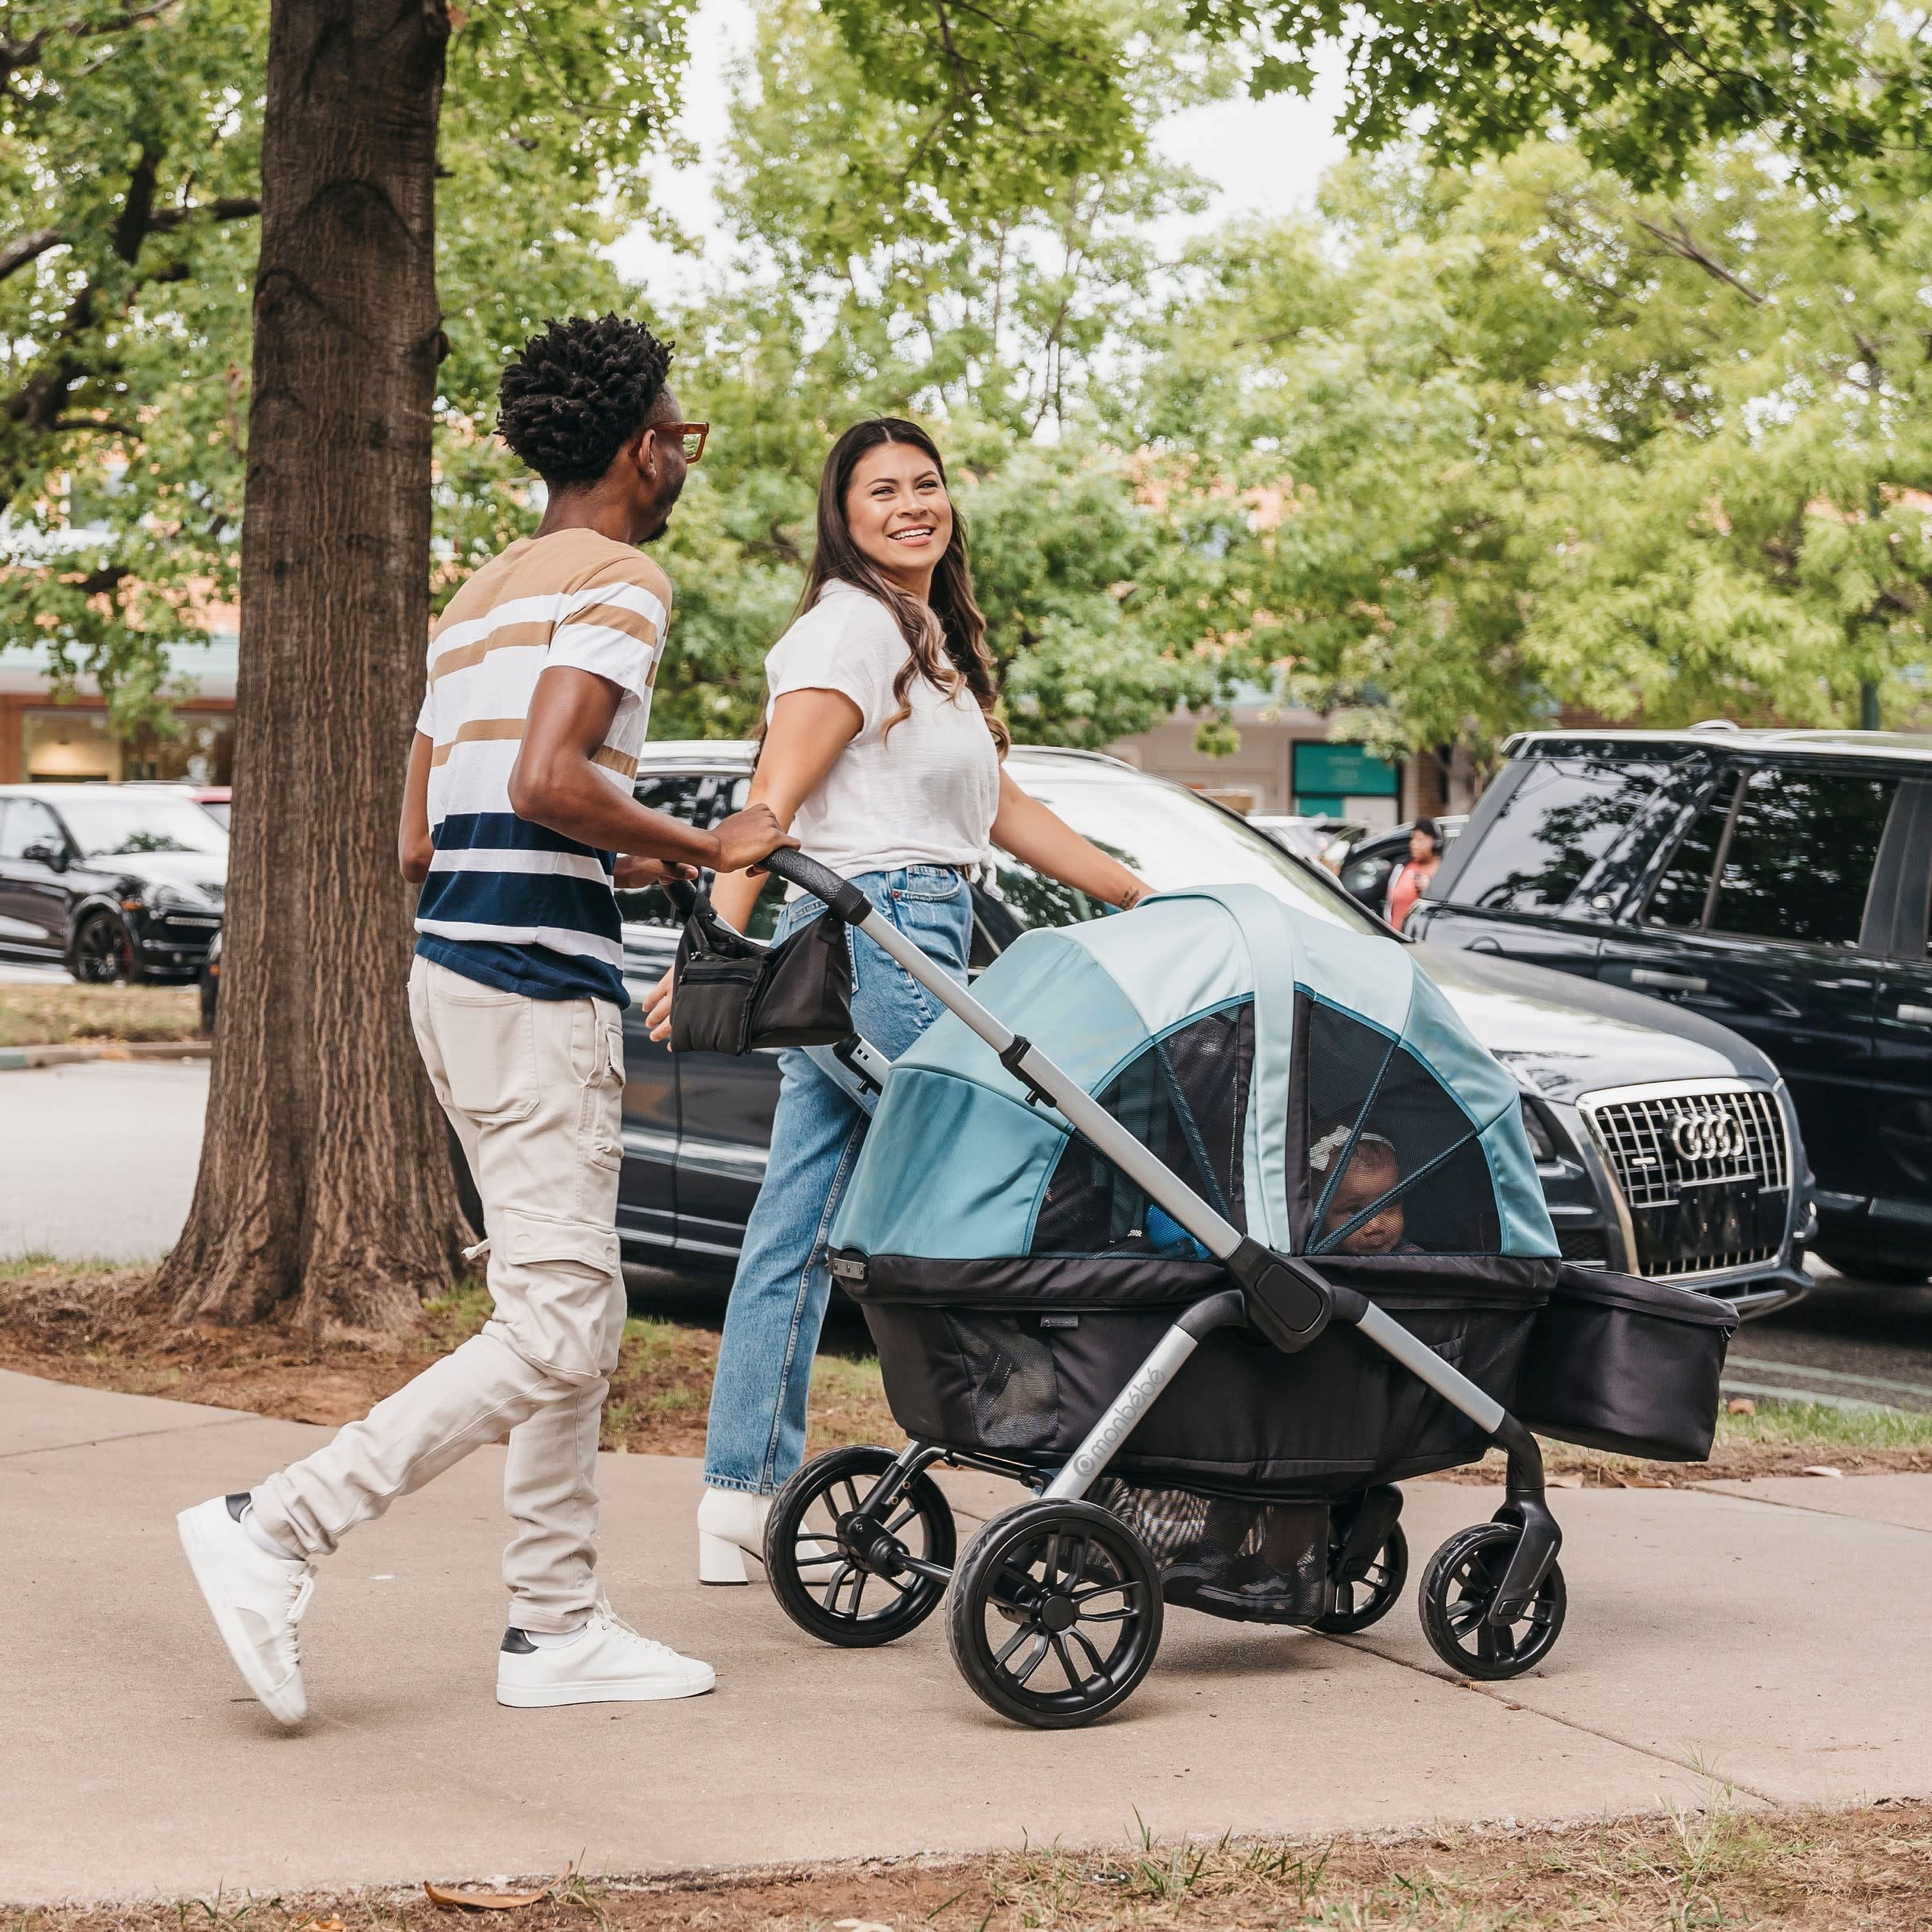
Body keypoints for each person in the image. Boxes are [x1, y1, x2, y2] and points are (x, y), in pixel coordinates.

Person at [175, 314, 791, 1726]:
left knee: (569, 1299)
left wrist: (610, 842)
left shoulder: (480, 596)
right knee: (565, 1326)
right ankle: (278, 1526)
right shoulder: (623, 580)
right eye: (681, 431)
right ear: (643, 446)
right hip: (531, 992)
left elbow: (422, 835)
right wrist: (706, 844)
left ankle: (557, 1625)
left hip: (450, 973)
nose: (685, 450)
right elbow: (544, 778)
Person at [645, 416, 1148, 1584]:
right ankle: (1068, 1461)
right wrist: (715, 947)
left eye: (928, 484)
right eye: (884, 490)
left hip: (894, 936)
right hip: (885, 942)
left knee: (796, 1227)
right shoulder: (852, 629)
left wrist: (1134, 892)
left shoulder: (920, 642)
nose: (913, 504)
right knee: (1024, 1171)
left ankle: (738, 1491)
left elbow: (1001, 810)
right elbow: (769, 806)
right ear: (845, 513)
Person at [1383, 817, 1443, 931]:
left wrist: (1429, 890)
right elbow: (1374, 891)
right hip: (1395, 938)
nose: (1414, 844)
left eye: (1420, 840)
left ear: (1436, 843)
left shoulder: (1444, 872)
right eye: (1413, 839)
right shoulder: (1401, 867)